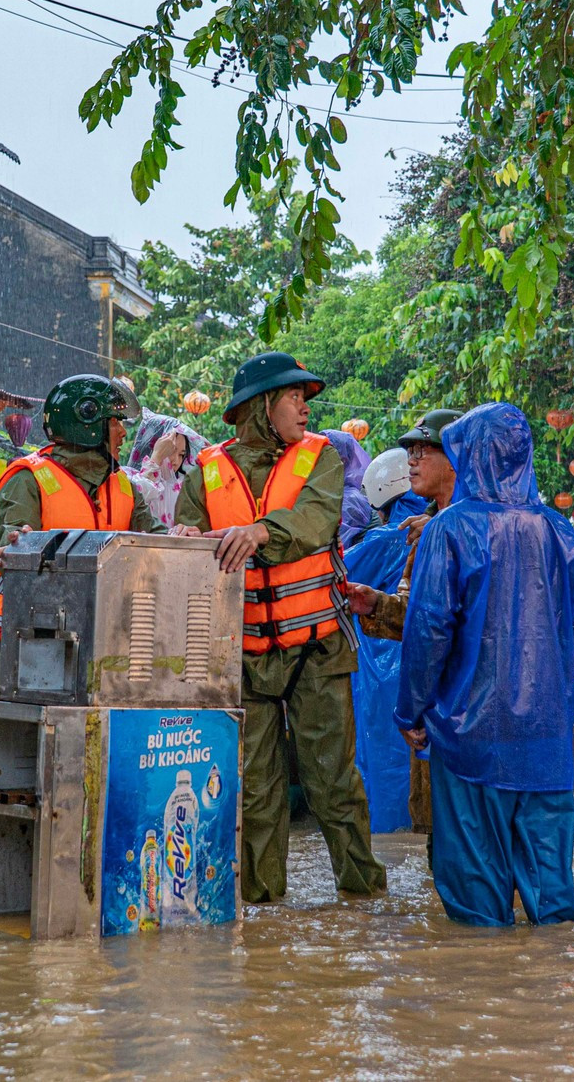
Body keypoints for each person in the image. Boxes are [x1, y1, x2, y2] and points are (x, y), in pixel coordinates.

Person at [177, 352, 387, 903]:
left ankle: (363, 899)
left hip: (317, 649)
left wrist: (258, 533)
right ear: (261, 406)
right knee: (255, 795)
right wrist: (184, 542)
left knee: (334, 786)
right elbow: (184, 551)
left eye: (306, 397)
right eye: (294, 396)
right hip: (241, 656)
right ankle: (261, 909)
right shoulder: (205, 472)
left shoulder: (323, 456)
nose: (305, 406)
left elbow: (317, 521)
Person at [392, 403, 574, 926]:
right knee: (554, 906)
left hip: (470, 737)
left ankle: (488, 1000)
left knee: (477, 911)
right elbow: (569, 629)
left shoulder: (449, 531)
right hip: (546, 740)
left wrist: (410, 712)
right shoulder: (560, 532)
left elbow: (429, 631)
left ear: (468, 455)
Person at [0, 375, 162, 695]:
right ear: (89, 422)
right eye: (116, 421)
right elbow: (12, 538)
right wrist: (16, 548)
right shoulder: (29, 479)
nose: (124, 432)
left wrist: (186, 534)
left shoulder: (126, 487)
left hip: (115, 649)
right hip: (39, 651)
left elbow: (159, 541)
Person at [343, 408, 462, 838]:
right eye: (409, 451)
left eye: (423, 450)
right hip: (429, 705)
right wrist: (375, 604)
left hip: (463, 709)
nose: (412, 459)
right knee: (439, 840)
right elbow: (421, 617)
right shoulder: (420, 534)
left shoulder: (471, 529)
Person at [344, 449, 429, 833]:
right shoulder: (442, 526)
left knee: (381, 765)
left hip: (381, 670)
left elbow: (335, 576)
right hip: (428, 664)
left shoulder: (381, 538)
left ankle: (386, 841)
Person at [123, 411, 209, 531]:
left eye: (181, 455)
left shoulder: (182, 488)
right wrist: (156, 458)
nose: (176, 460)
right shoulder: (127, 478)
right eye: (171, 451)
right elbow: (137, 500)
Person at [324, 429, 377, 550]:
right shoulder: (335, 495)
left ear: (342, 462)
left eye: (323, 458)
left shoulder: (349, 500)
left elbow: (331, 549)